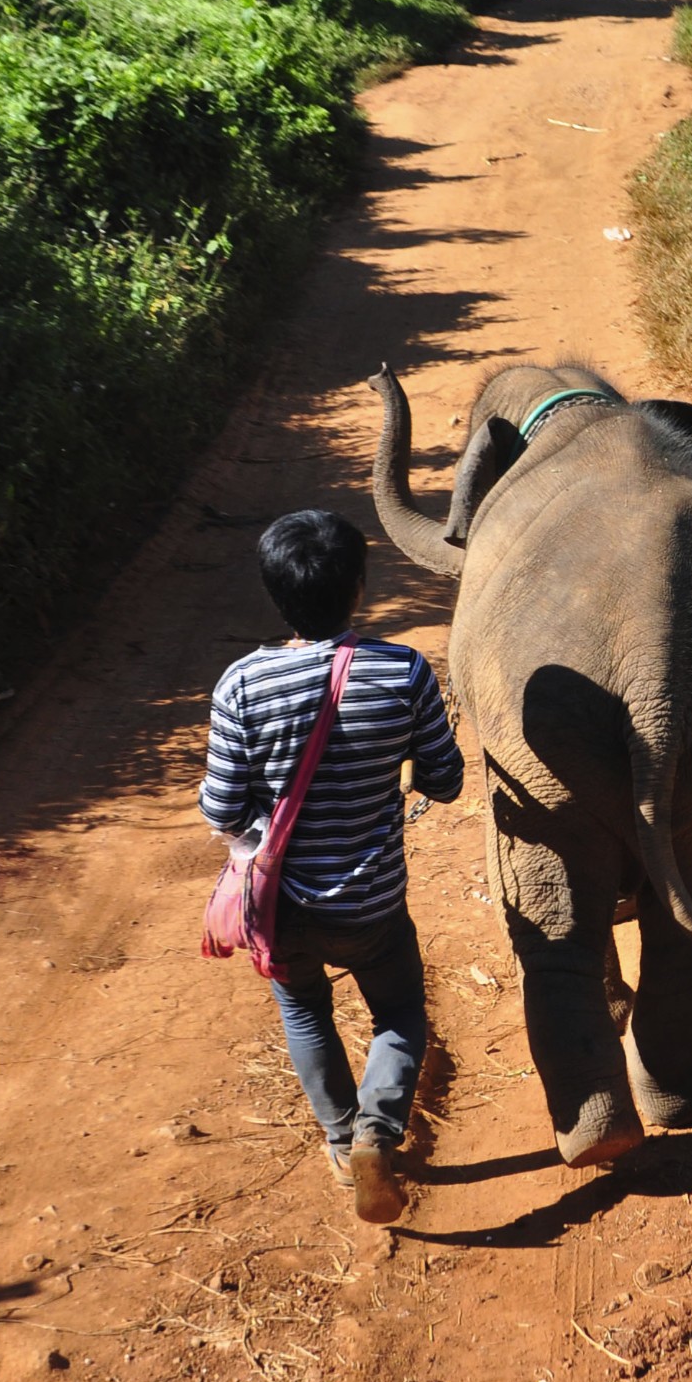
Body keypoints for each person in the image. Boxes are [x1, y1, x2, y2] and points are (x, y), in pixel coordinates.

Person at [199, 509, 464, 1225]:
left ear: (273, 592)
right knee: (400, 1012)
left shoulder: (241, 686)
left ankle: (344, 1139)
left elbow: (220, 809)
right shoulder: (403, 671)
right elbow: (444, 779)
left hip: (279, 907)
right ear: (358, 586)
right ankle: (379, 1130)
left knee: (303, 1008)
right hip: (371, 903)